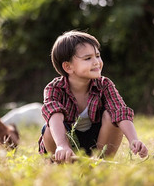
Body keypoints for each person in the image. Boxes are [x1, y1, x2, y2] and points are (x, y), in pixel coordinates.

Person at [38, 30, 148, 163]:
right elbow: (54, 115)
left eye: (97, 55)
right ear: (68, 67)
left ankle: (100, 165)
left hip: (96, 142)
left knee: (112, 117)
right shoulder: (54, 88)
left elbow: (120, 111)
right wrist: (62, 144)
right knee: (49, 128)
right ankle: (62, 166)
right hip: (64, 143)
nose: (96, 62)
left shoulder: (104, 84)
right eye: (88, 58)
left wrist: (134, 139)